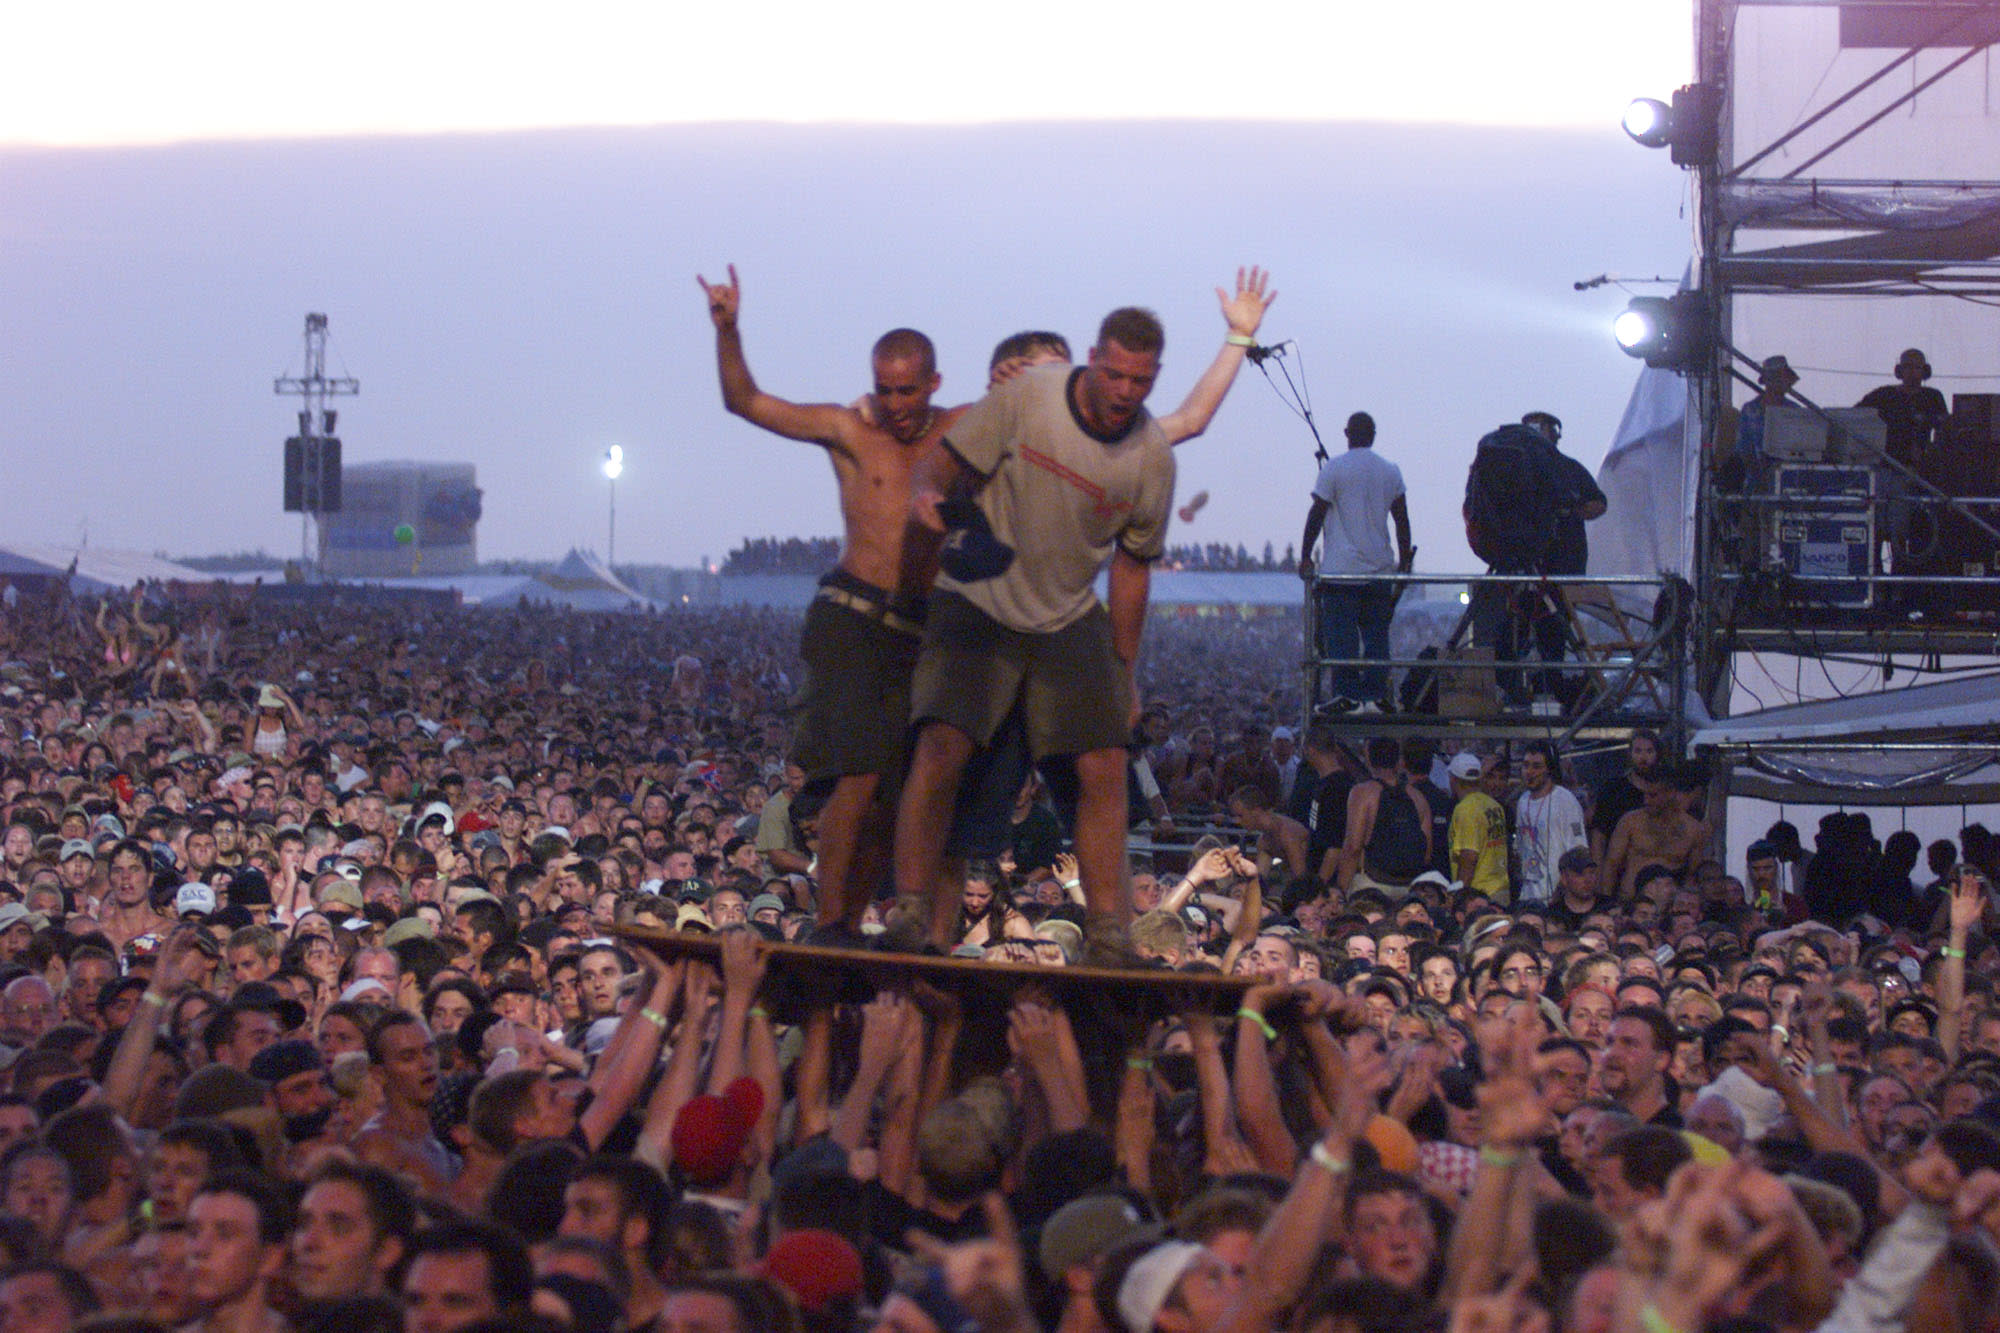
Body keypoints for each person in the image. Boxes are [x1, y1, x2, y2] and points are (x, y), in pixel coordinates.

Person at [895, 304, 1183, 959]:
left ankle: (1110, 928)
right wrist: (926, 495)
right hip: (981, 594)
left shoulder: (1152, 458)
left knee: (1106, 761)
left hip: (1066, 610)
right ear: (1092, 357)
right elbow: (945, 461)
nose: (1124, 392)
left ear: (1154, 377)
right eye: (1114, 375)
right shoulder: (1030, 397)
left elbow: (1132, 570)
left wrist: (1123, 668)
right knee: (942, 744)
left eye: (1140, 382)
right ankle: (910, 909)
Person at [699, 263, 965, 940]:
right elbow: (746, 402)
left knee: (900, 791)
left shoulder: (965, 430)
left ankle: (886, 918)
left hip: (923, 625)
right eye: (885, 389)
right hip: (853, 614)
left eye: (908, 390)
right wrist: (728, 329)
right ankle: (829, 921)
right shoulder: (852, 431)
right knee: (856, 775)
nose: (896, 403)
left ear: (933, 384)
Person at [1299, 410, 1413, 714]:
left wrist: (1305, 555)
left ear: (1347, 434)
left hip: (1340, 572)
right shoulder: (1390, 471)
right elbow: (1402, 520)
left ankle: (1348, 695)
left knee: (1342, 640)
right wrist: (1404, 562)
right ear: (1373, 435)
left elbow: (1317, 513)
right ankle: (1375, 696)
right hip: (1379, 570)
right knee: (1376, 637)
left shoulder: (1334, 469)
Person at [1511, 740, 1587, 907]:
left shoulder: (1565, 801)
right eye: (1525, 765)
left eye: (1536, 766)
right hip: (1527, 896)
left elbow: (1578, 852)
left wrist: (1561, 893)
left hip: (1555, 898)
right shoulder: (1523, 801)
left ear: (1550, 769)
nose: (1529, 772)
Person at [1859, 347, 1949, 469]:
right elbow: (1856, 415)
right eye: (1907, 367)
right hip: (1888, 464)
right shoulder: (1883, 395)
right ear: (1899, 370)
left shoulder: (1933, 397)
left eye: (1917, 367)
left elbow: (1945, 428)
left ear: (1925, 371)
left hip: (1922, 466)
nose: (1912, 371)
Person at [1445, 751, 1509, 901]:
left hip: (1478, 895)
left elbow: (1469, 857)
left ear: (1453, 779)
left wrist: (1459, 897)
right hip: (1500, 889)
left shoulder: (1465, 809)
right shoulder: (1493, 805)